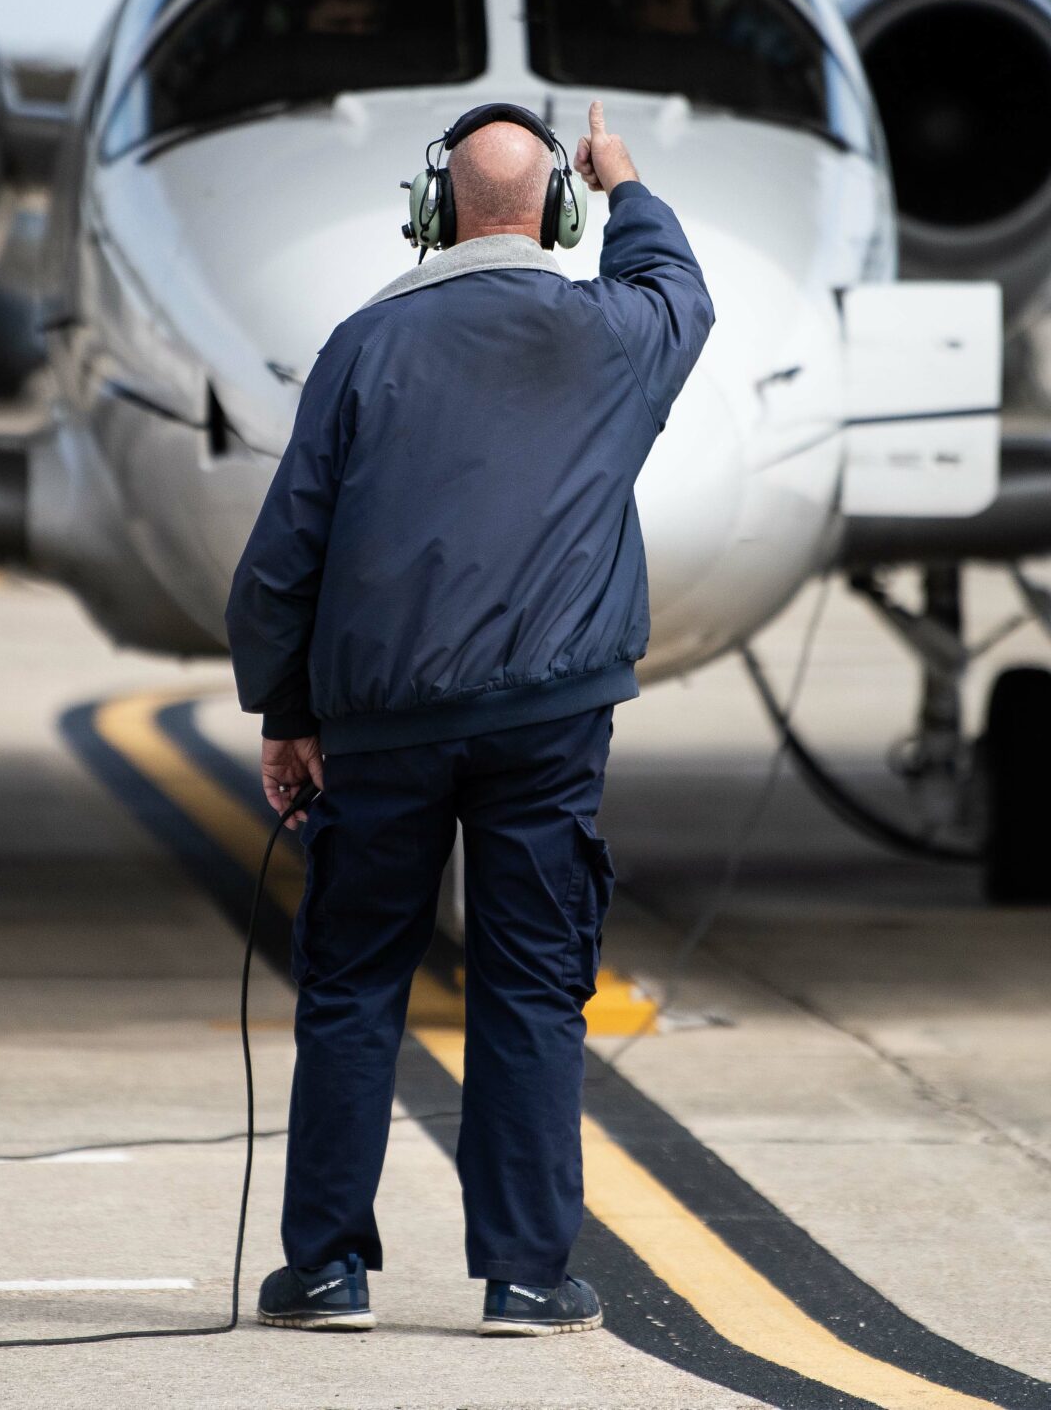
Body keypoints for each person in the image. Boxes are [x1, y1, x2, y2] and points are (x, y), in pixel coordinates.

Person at [225, 100, 713, 1337]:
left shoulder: (360, 344)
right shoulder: (616, 331)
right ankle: (528, 1276)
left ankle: (327, 1270)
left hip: (380, 728)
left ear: (432, 211)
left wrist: (288, 714)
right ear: (554, 210)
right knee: (533, 987)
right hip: (548, 730)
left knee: (350, 986)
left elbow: (285, 555)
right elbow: (678, 285)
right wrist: (625, 183)